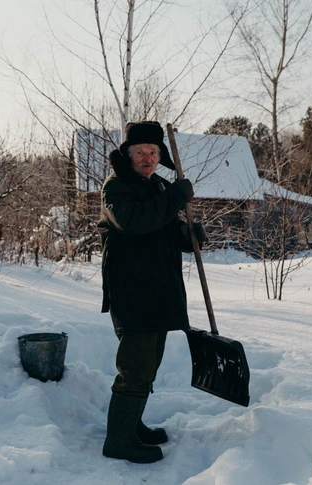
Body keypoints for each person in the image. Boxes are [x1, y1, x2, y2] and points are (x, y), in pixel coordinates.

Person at [97, 121, 206, 463]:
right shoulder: (117, 187)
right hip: (133, 289)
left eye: (153, 152)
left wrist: (189, 235)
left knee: (149, 364)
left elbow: (165, 228)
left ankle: (132, 426)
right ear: (128, 154)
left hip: (158, 288)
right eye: (140, 152)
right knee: (135, 366)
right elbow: (134, 222)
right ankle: (118, 441)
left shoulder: (157, 184)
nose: (147, 158)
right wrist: (176, 196)